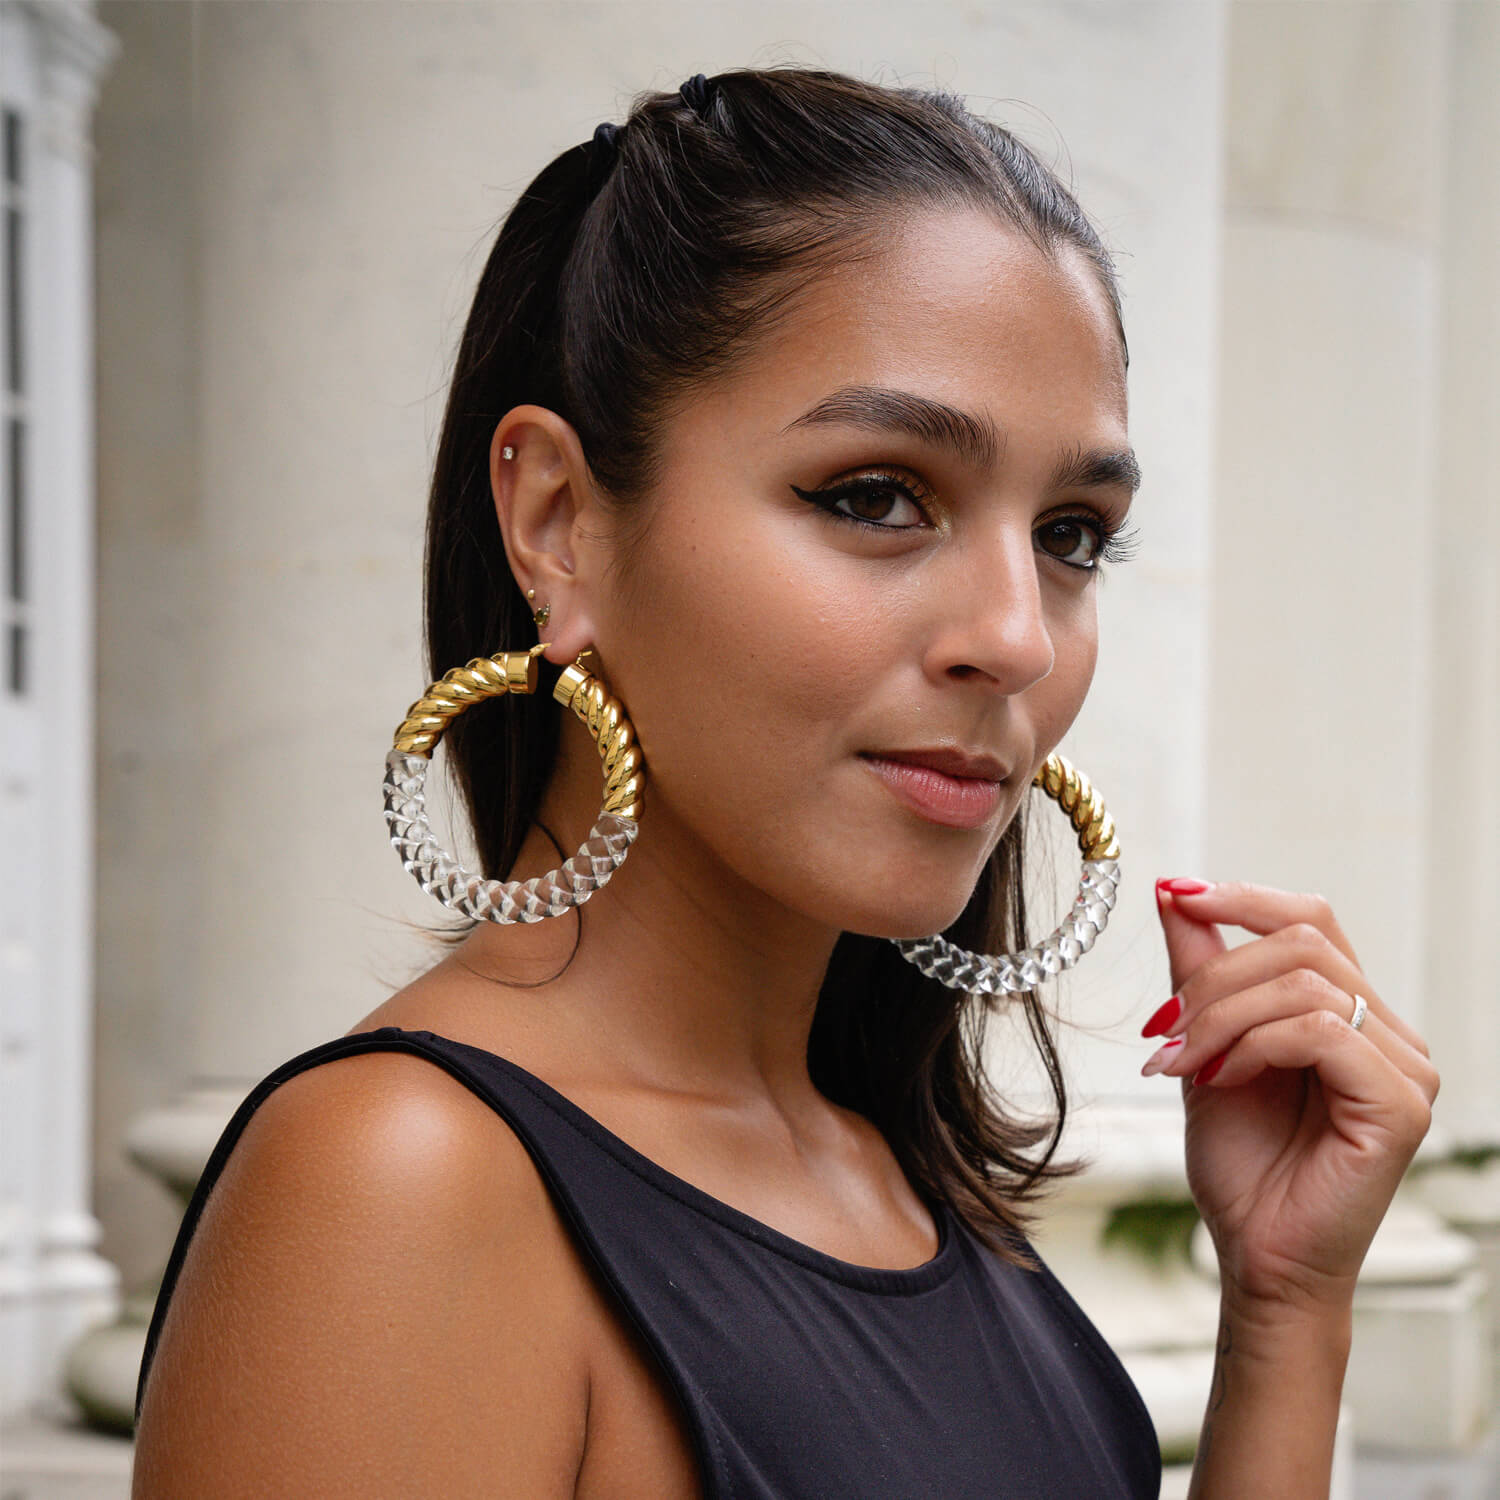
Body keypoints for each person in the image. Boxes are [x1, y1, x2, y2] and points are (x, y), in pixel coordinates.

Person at [130, 67, 1437, 1499]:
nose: (1014, 634)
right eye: (875, 496)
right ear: (559, 522)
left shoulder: (895, 1173)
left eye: (1071, 533)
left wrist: (1287, 1313)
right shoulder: (400, 1186)